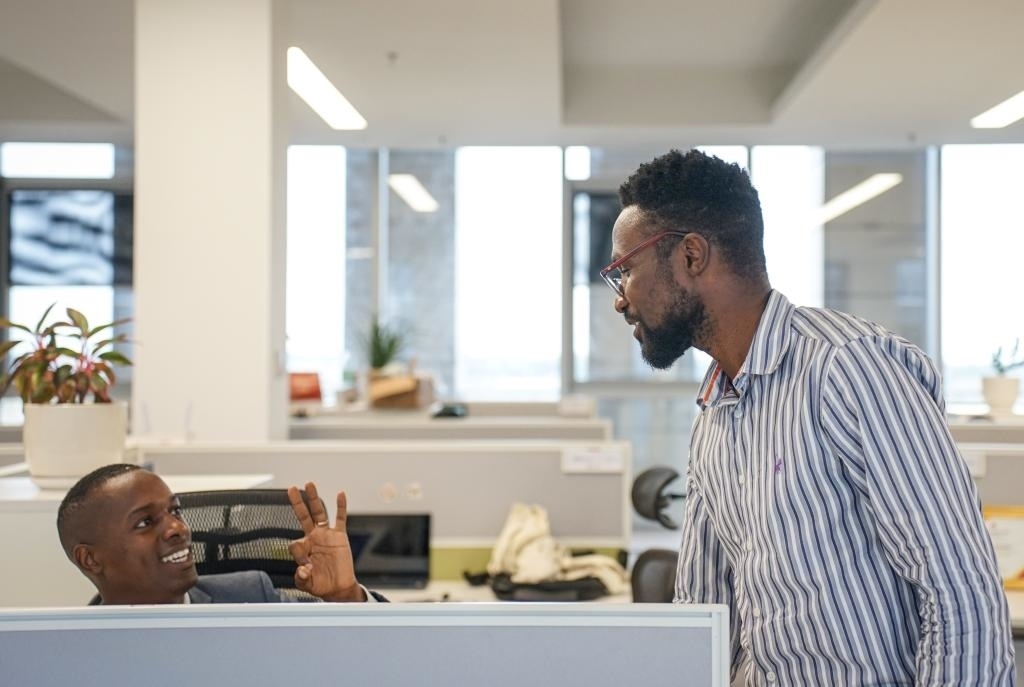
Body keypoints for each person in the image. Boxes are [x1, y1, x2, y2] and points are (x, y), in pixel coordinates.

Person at [604, 149, 1014, 685]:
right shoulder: (715, 408)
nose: (620, 300)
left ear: (691, 256)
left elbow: (960, 590)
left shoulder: (848, 368)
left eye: (625, 270)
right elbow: (705, 611)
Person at [56, 463, 383, 604]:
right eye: (144, 522)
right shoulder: (72, 654)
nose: (177, 528)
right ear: (90, 559)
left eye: (175, 511)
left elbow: (367, 661)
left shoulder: (251, 596)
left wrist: (346, 597)